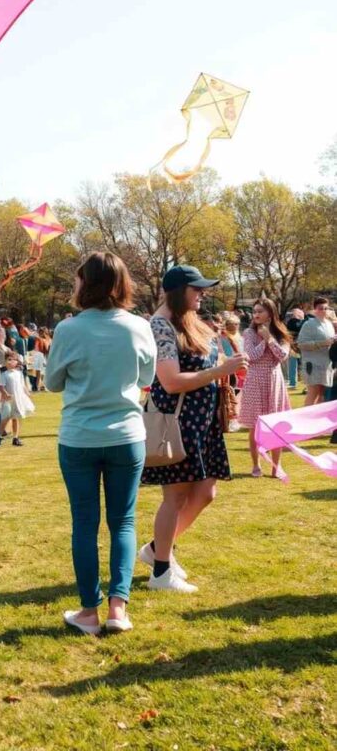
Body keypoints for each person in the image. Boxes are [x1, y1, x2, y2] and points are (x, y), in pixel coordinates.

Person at [45, 251, 156, 635]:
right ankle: (118, 609)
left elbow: (52, 382)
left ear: (86, 283)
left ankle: (89, 612)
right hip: (126, 434)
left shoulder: (68, 329)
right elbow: (146, 376)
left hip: (79, 436)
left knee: (85, 524)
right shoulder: (139, 326)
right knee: (123, 521)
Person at [141, 265, 247, 594]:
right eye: (196, 289)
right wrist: (221, 371)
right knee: (175, 497)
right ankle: (161, 571)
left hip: (201, 422)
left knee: (205, 494)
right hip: (179, 422)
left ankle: (156, 550)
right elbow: (171, 381)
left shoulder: (184, 322)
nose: (202, 294)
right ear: (177, 291)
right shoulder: (160, 326)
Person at [239, 298, 291, 478]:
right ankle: (256, 465)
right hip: (255, 380)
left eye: (260, 311)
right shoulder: (248, 333)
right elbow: (252, 356)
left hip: (274, 380)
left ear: (270, 312)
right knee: (255, 425)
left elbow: (282, 355)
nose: (256, 314)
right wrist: (263, 340)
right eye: (255, 311)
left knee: (276, 425)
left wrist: (270, 338)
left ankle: (277, 466)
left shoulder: (281, 332)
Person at [297, 297, 335, 406]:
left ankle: (318, 421)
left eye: (326, 308)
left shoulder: (329, 324)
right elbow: (301, 344)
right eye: (320, 308)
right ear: (314, 310)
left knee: (322, 395)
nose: (323, 310)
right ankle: (306, 421)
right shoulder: (309, 324)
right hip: (312, 364)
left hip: (326, 364)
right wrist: (322, 343)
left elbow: (330, 342)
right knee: (312, 394)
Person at [0, 352, 35, 446]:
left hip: (18, 398)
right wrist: (5, 394)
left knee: (16, 418)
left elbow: (22, 385)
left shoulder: (19, 374)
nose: (11, 362)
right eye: (9, 360)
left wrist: (27, 393)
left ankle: (15, 438)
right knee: (6, 418)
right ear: (5, 361)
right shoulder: (4, 374)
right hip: (9, 399)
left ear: (17, 362)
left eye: (13, 360)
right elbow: (1, 386)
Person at [285, 309, 305, 389]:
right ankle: (299, 382)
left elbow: (288, 333)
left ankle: (293, 383)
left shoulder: (290, 322)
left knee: (293, 364)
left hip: (294, 345)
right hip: (300, 345)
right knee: (301, 364)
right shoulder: (304, 322)